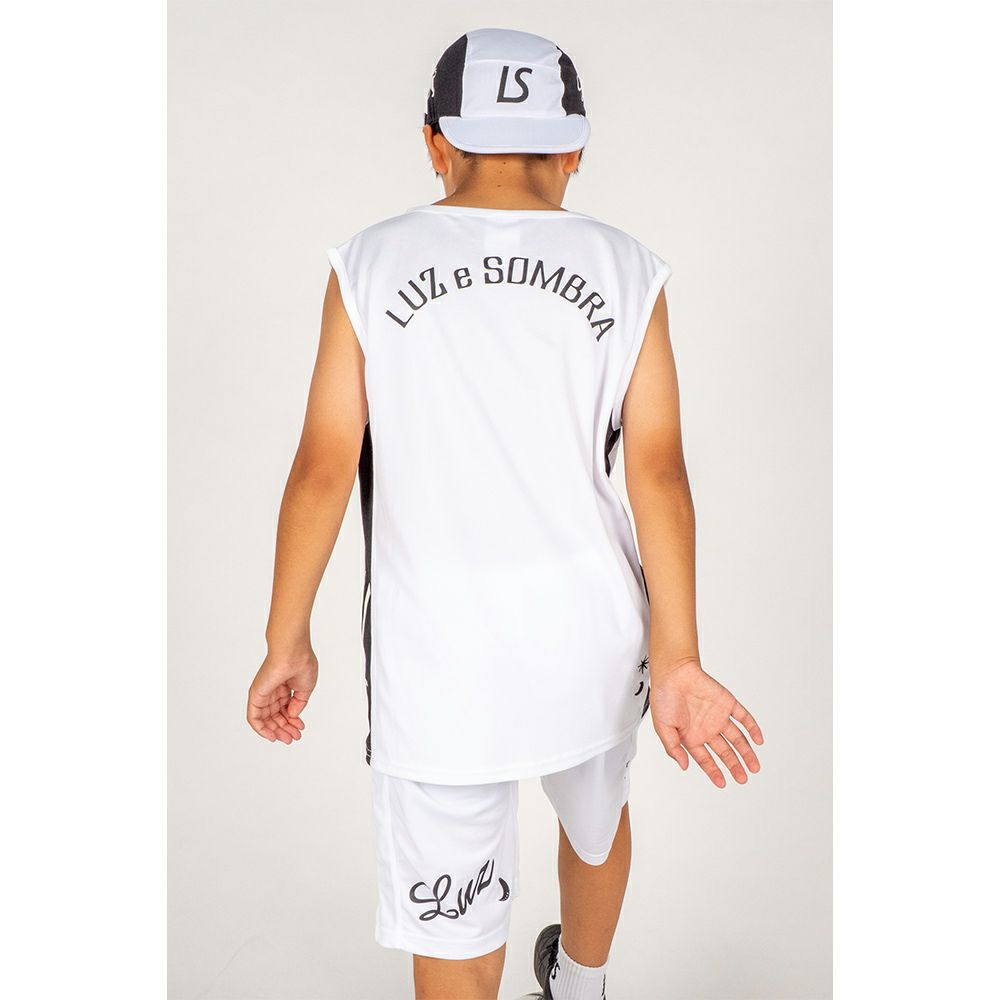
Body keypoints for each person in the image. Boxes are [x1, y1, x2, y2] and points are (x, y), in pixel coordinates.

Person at [246, 27, 764, 1000]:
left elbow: (322, 467)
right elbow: (658, 472)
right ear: (573, 149)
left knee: (458, 926)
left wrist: (287, 638)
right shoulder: (628, 269)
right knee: (596, 822)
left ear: (435, 142)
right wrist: (679, 655)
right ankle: (581, 983)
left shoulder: (369, 264)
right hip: (591, 633)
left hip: (437, 656)